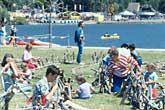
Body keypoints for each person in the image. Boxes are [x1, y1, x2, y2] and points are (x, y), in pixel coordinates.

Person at [30, 65, 100, 110]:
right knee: (68, 103)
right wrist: (54, 88)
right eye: (54, 77)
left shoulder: (45, 82)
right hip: (41, 107)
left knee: (68, 102)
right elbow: (47, 98)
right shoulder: (42, 83)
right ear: (50, 74)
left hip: (45, 105)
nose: (54, 79)